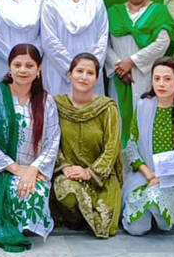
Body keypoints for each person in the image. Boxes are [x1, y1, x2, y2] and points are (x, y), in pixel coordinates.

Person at [0, 44, 60, 251]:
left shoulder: (46, 101)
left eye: (29, 65)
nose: (23, 70)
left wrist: (32, 169)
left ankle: (24, 222)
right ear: (9, 68)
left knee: (33, 196)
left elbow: (52, 141)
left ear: (38, 70)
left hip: (34, 170)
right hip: (0, 170)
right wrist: (16, 169)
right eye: (17, 64)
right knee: (14, 193)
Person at [121, 57, 174, 235]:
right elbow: (131, 147)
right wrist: (150, 175)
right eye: (156, 78)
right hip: (144, 175)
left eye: (167, 79)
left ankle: (168, 214)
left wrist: (165, 175)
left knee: (161, 216)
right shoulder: (144, 106)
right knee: (137, 228)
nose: (161, 84)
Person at [52, 53, 122, 238]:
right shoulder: (56, 105)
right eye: (79, 71)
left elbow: (112, 148)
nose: (84, 77)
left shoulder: (107, 108)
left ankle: (86, 216)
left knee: (106, 224)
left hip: (101, 178)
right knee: (68, 192)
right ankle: (74, 217)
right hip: (67, 174)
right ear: (70, 74)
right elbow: (50, 142)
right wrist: (65, 167)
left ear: (97, 78)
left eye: (90, 73)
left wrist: (89, 173)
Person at [106, 0, 174, 144]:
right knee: (118, 121)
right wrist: (119, 66)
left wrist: (132, 62)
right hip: (118, 75)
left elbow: (162, 43)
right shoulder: (113, 12)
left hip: (146, 75)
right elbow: (103, 44)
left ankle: (144, 167)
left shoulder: (159, 11)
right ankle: (121, 168)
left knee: (145, 120)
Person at [40, 0, 108, 96]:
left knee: (89, 114)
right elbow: (50, 41)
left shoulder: (96, 2)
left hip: (90, 76)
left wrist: (90, 71)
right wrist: (72, 72)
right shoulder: (50, 2)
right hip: (59, 72)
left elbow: (102, 39)